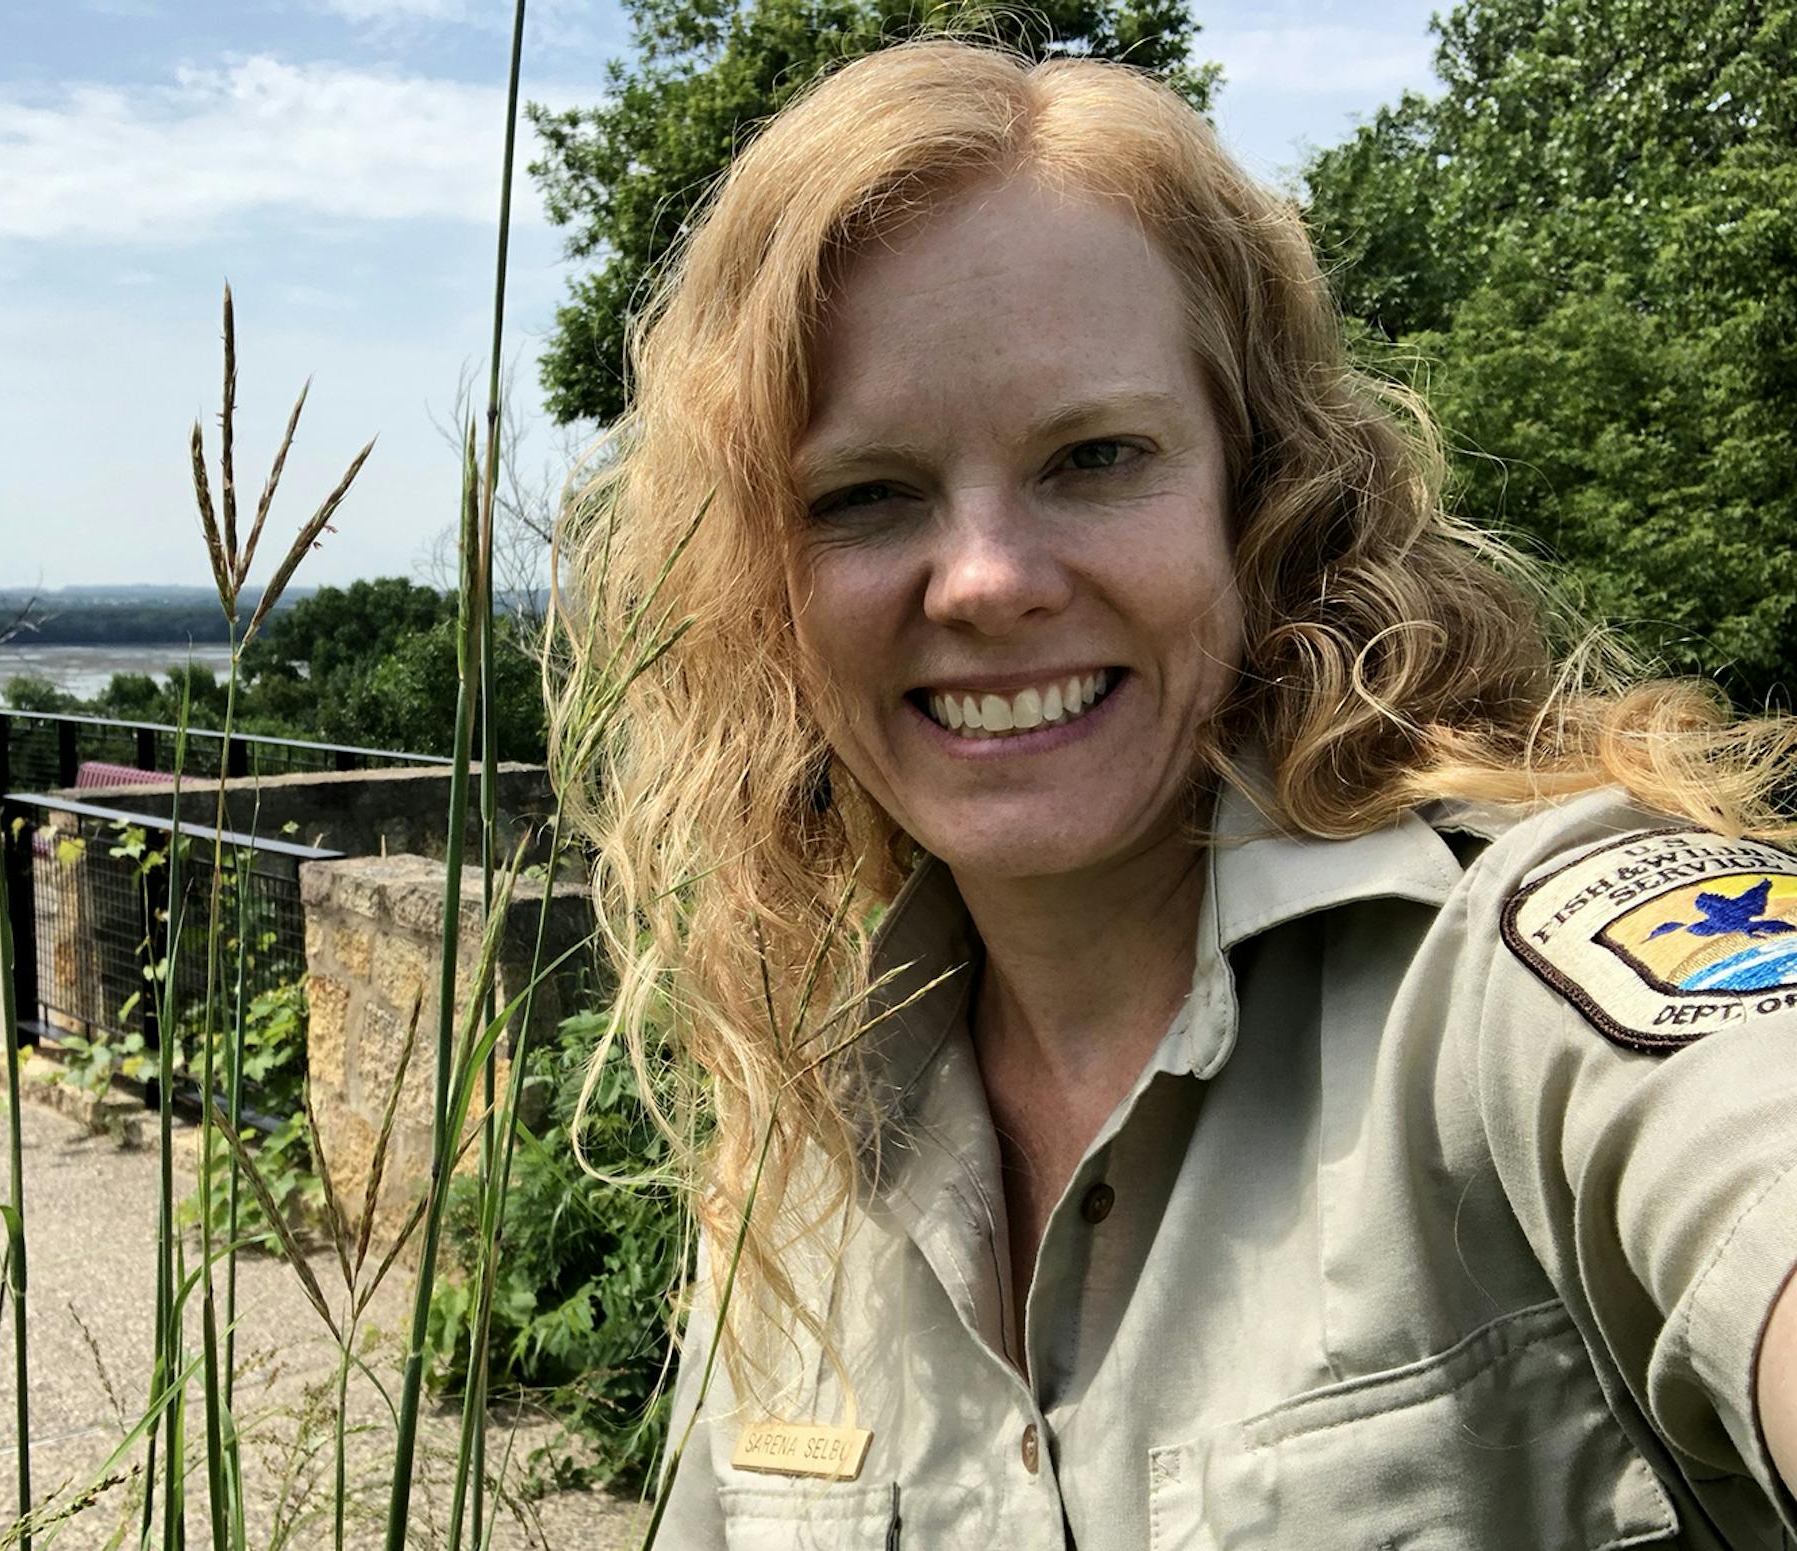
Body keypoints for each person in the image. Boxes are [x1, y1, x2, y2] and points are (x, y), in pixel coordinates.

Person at [554, 40, 1797, 1547]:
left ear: (1256, 494)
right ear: (768, 584)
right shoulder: (796, 1150)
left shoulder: (1529, 970)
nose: (987, 580)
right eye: (864, 495)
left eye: (1093, 457)